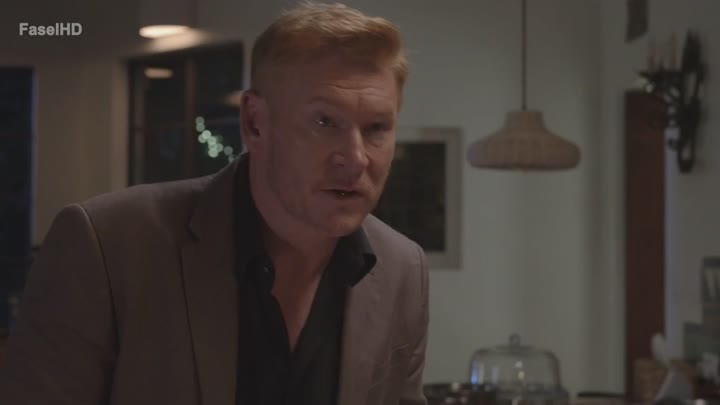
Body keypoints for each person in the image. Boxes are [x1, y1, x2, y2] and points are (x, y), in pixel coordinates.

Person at [0, 2, 429, 405]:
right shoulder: (108, 246)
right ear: (254, 122)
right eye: (324, 122)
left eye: (376, 128)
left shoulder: (403, 269)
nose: (355, 158)